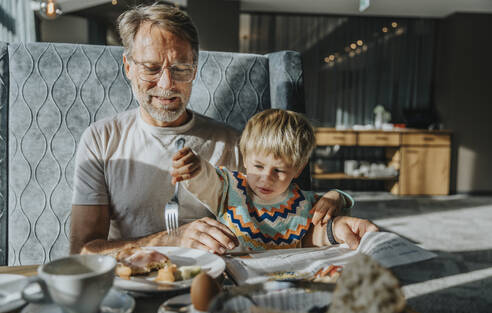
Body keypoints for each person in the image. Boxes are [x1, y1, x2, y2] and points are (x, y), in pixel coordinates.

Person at [70, 3, 374, 256]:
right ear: (128, 66)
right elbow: (84, 251)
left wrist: (334, 219)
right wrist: (170, 239)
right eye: (151, 68)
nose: (166, 84)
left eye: (181, 69)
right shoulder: (101, 140)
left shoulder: (234, 143)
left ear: (195, 68)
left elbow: (279, 227)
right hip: (132, 282)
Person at [172, 109, 378, 250]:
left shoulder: (304, 203)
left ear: (297, 170)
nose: (266, 178)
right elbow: (206, 180)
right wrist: (196, 168)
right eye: (258, 166)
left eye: (279, 171)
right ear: (245, 158)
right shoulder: (228, 188)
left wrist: (336, 197)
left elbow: (322, 230)